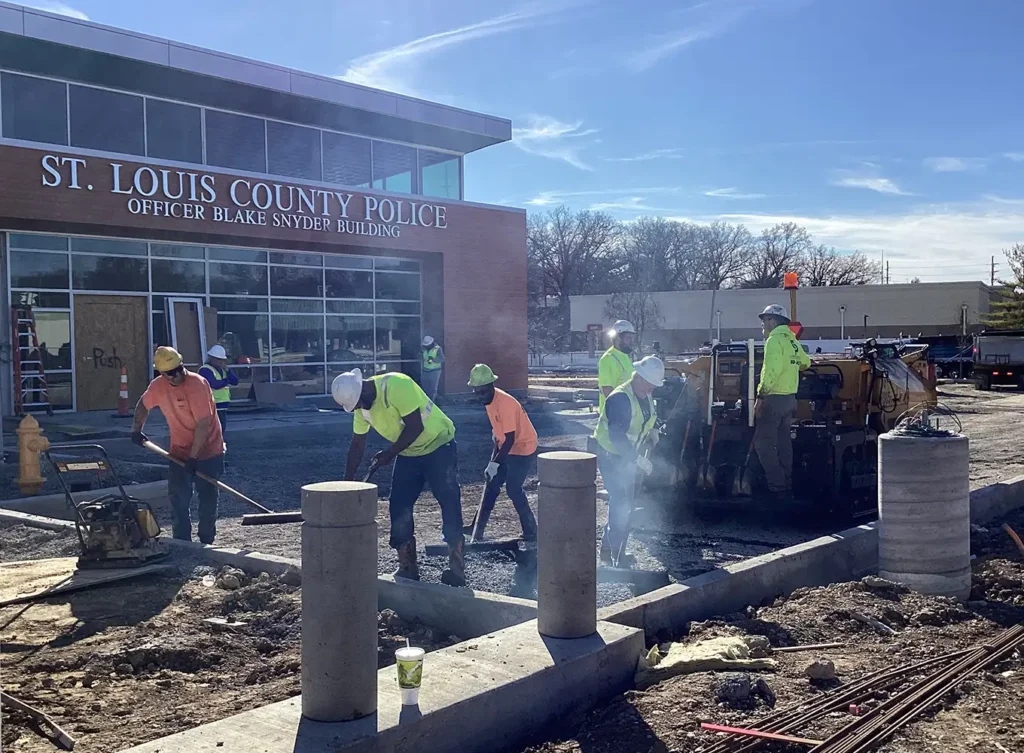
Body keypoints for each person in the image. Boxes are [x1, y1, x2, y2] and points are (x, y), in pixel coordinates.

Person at [332, 367, 465, 586]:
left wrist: (389, 454)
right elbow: (357, 444)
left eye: (358, 404)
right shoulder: (361, 407)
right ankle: (407, 565)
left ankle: (457, 566)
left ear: (363, 390)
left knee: (448, 501)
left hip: (439, 445)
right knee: (399, 505)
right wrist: (347, 483)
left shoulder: (397, 385)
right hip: (409, 451)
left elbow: (415, 427)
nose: (359, 409)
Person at [131, 346, 225, 544]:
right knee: (179, 500)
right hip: (179, 452)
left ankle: (206, 541)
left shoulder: (197, 384)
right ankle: (182, 542)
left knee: (207, 498)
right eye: (170, 373)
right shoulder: (158, 386)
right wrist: (136, 429)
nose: (176, 375)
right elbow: (142, 405)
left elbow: (203, 424)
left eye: (178, 369)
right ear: (162, 373)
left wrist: (194, 457)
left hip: (208, 450)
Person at [592, 355, 664, 567]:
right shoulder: (620, 398)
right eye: (650, 384)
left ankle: (611, 551)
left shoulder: (644, 393)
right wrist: (637, 460)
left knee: (626, 504)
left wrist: (653, 429)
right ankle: (613, 553)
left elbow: (646, 416)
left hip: (627, 455)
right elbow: (616, 436)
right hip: (611, 454)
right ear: (639, 377)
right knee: (621, 503)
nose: (652, 388)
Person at [465, 363, 538, 543]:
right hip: (507, 445)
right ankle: (477, 528)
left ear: (491, 386)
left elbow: (511, 439)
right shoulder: (489, 400)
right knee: (491, 486)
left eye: (483, 391)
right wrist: (493, 460)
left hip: (523, 447)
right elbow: (500, 436)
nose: (480, 395)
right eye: (477, 391)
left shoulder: (504, 403)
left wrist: (495, 463)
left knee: (513, 489)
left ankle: (531, 531)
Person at [753, 304, 811, 499]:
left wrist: (761, 395)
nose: (763, 323)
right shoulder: (792, 341)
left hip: (774, 398)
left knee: (763, 444)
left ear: (773, 321)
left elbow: (771, 370)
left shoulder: (774, 341)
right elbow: (806, 362)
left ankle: (777, 487)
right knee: (784, 443)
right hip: (790, 400)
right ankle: (787, 482)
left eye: (765, 319)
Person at [598, 320, 636, 413]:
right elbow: (607, 390)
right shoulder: (608, 359)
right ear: (617, 338)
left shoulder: (625, 356)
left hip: (628, 413)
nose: (631, 341)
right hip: (614, 416)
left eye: (632, 338)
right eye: (628, 338)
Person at [198, 345, 238, 434]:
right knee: (215, 428)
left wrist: (228, 371)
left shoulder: (223, 370)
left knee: (221, 427)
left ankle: (217, 444)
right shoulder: (205, 370)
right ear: (212, 358)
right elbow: (214, 384)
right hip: (212, 404)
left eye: (222, 359)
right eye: (218, 359)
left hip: (222, 404)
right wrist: (227, 380)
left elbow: (235, 381)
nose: (221, 362)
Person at [420, 335, 444, 400]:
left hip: (435, 371)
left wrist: (434, 359)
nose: (426, 346)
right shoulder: (423, 348)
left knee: (433, 389)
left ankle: (431, 404)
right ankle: (425, 402)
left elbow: (442, 359)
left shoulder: (438, 348)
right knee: (425, 388)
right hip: (425, 370)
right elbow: (422, 357)